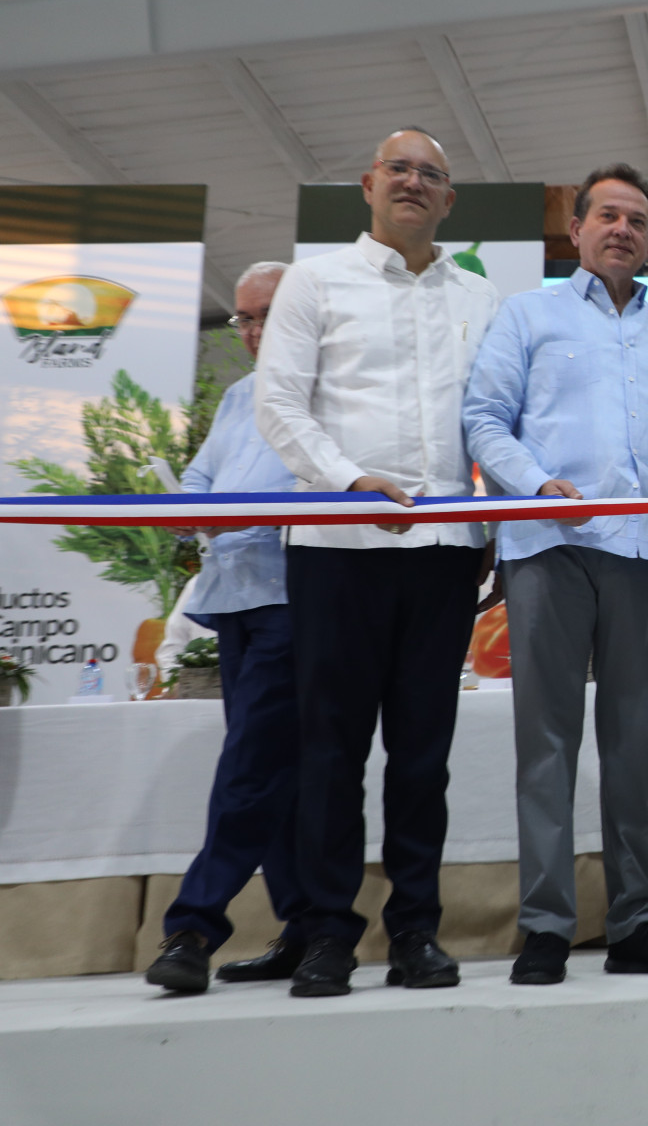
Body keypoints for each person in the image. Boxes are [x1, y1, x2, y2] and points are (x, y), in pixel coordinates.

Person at [465, 164, 648, 985]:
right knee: (546, 742)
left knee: (634, 744)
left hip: (645, 554)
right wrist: (534, 483)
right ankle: (546, 928)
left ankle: (638, 922)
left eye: (637, 221)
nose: (623, 230)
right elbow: (483, 419)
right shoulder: (527, 314)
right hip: (548, 545)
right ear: (575, 230)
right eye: (608, 216)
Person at [255, 127, 500, 996]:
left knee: (423, 756)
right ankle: (327, 933)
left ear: (449, 200)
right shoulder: (316, 281)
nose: (413, 182)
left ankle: (416, 932)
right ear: (368, 184)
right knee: (331, 751)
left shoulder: (480, 296)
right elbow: (278, 404)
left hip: (445, 556)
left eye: (430, 174)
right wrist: (348, 482)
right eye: (399, 168)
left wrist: (495, 520)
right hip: (337, 550)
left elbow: (493, 418)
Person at [145, 261, 310, 993]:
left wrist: (226, 514)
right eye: (245, 317)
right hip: (231, 598)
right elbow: (198, 480)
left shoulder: (327, 390)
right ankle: (304, 925)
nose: (253, 330)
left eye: (267, 314)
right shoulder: (241, 396)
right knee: (275, 772)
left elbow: (317, 485)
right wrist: (190, 511)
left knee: (250, 767)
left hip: (292, 597)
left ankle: (193, 928)